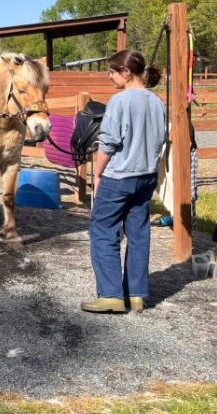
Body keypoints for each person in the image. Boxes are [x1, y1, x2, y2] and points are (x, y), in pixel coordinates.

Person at [82, 50, 166, 313]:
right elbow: (161, 139)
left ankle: (111, 296)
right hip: (146, 177)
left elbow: (108, 143)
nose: (109, 77)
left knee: (103, 228)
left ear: (126, 72)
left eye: (112, 72)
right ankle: (136, 294)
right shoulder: (156, 101)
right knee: (138, 232)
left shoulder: (119, 101)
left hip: (119, 177)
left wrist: (97, 174)